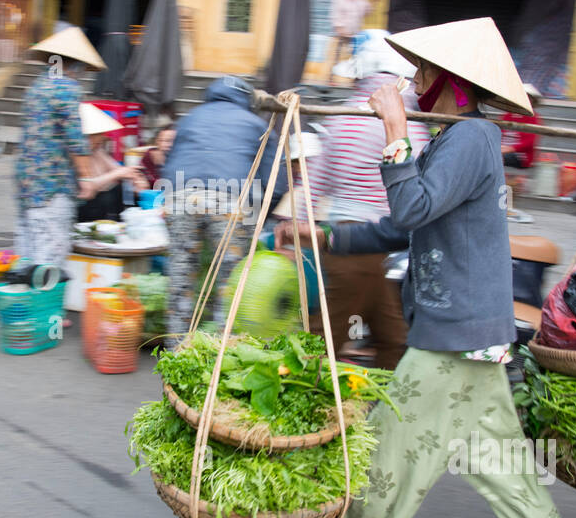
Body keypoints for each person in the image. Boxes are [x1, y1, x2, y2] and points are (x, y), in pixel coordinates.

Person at [275, 17, 576, 518]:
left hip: (453, 337)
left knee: (389, 455)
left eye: (424, 72)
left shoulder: (471, 137)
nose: (415, 81)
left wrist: (395, 129)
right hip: (474, 334)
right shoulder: (457, 139)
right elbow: (404, 226)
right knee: (505, 469)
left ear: (450, 80)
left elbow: (411, 203)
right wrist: (322, 235)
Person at [300, 39, 430, 369]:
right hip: (372, 245)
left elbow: (314, 183)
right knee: (325, 339)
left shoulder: (341, 119)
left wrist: (301, 227)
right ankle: (297, 397)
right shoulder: (405, 123)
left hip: (347, 241)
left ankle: (391, 406)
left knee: (392, 337)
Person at [160, 75, 287, 339]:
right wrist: (258, 216)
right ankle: (220, 359)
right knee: (229, 286)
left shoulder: (190, 118)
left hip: (181, 196)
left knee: (181, 280)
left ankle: (175, 356)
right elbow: (277, 181)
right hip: (231, 203)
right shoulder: (257, 125)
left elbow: (170, 163)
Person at [15, 27, 104, 268]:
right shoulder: (67, 89)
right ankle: (43, 302)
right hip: (51, 184)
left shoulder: (36, 87)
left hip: (26, 182)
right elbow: (74, 138)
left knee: (28, 249)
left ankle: (22, 300)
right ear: (75, 65)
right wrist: (86, 178)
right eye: (82, 68)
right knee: (50, 256)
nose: (82, 74)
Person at [76, 103, 146, 222]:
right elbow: (88, 187)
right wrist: (118, 174)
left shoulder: (97, 150)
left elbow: (117, 169)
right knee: (107, 197)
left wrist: (135, 177)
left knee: (127, 192)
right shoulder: (75, 156)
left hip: (104, 201)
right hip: (85, 205)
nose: (102, 138)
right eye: (95, 135)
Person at [329, 0, 372, 74]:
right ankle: (331, 77)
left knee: (357, 57)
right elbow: (335, 15)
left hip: (355, 33)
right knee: (337, 56)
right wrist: (340, 29)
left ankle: (356, 77)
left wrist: (372, 3)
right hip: (342, 32)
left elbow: (366, 12)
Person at [501, 82, 542, 169]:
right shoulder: (507, 115)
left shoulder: (532, 117)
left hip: (521, 156)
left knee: (496, 158)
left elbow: (530, 142)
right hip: (503, 151)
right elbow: (499, 134)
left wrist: (511, 148)